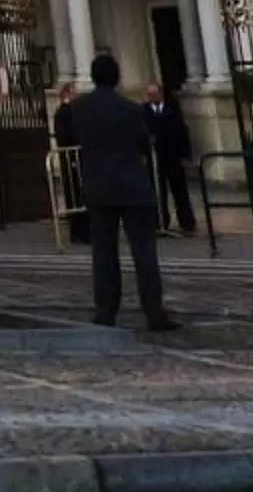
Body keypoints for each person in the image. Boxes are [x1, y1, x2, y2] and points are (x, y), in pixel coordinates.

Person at [52, 52, 178, 331]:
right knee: (144, 252)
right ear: (116, 77)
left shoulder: (79, 109)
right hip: (132, 185)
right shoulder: (131, 109)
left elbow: (72, 139)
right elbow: (143, 144)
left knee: (103, 252)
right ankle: (154, 311)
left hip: (98, 186)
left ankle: (106, 311)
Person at [145, 76, 198, 235]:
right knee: (156, 192)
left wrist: (185, 155)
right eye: (149, 95)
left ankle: (187, 222)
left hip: (173, 156)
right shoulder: (143, 111)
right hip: (155, 158)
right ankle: (160, 222)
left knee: (179, 190)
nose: (152, 97)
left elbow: (182, 132)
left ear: (160, 94)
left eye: (154, 94)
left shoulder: (172, 109)